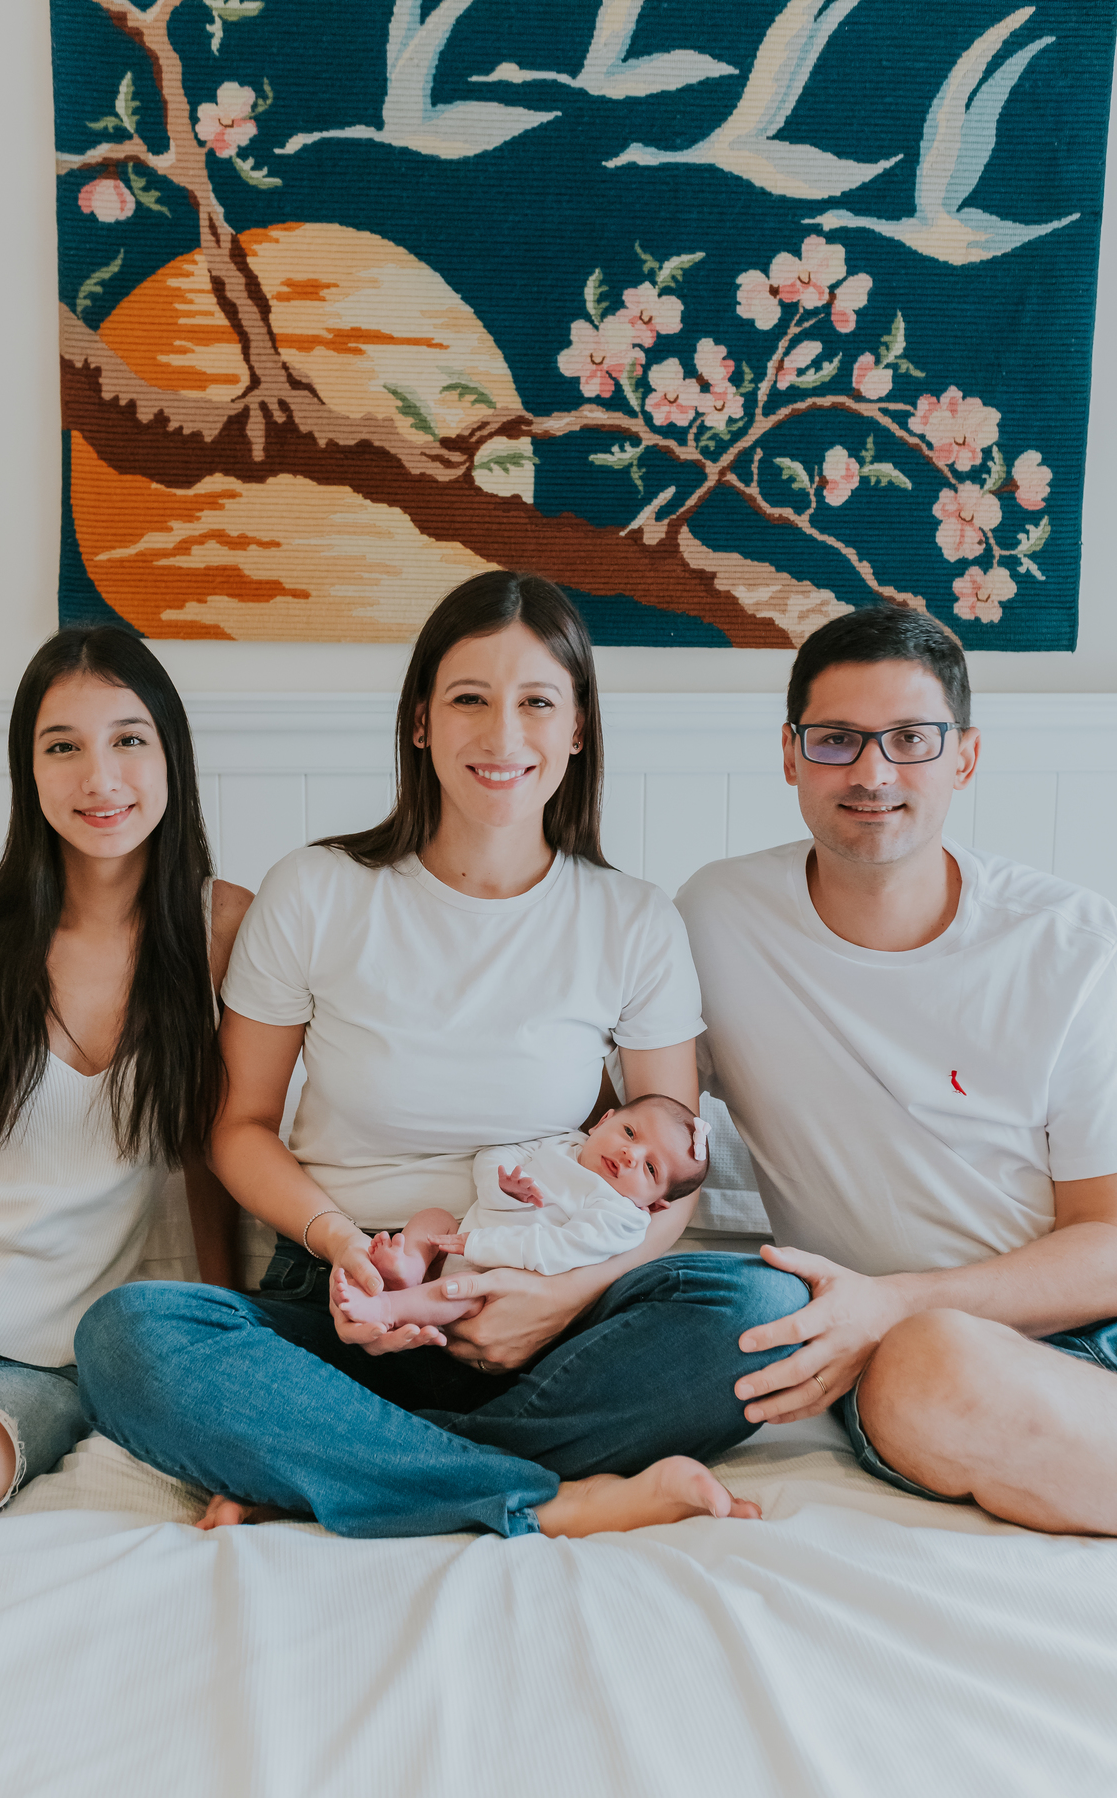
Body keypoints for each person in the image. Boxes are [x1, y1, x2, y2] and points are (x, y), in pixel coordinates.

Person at [75, 571, 805, 1541]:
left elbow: (667, 1190)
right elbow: (236, 1125)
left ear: (578, 728)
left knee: (757, 1304)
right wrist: (343, 1246)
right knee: (129, 1337)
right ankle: (551, 1494)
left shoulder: (634, 921)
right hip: (347, 1302)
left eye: (537, 702)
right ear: (420, 721)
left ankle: (334, 1464)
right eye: (469, 699)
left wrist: (555, 1300)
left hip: (548, 1312)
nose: (502, 737)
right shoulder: (318, 891)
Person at [676, 603, 1117, 1536]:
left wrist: (895, 1304)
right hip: (911, 1372)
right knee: (928, 1368)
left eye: (911, 739)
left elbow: (1109, 1239)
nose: (873, 774)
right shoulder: (716, 918)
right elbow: (640, 1124)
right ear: (791, 754)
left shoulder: (1070, 945)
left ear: (964, 756)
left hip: (1082, 1333)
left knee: (928, 1349)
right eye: (837, 740)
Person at [0, 628, 251, 1529]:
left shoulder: (221, 931)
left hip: (35, 1362)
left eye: (128, 739)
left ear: (171, 753)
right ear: (28, 769)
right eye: (62, 746)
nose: (98, 778)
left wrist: (221, 1354)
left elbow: (215, 1158)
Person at [331, 1095, 713, 1329]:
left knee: (463, 1295)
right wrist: (502, 1184)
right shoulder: (565, 1142)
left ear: (655, 1205)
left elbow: (559, 1247)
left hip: (500, 1279)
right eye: (630, 1133)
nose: (632, 1154)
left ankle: (387, 1307)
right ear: (604, 1120)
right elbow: (495, 1154)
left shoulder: (622, 1216)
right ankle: (411, 1266)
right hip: (459, 1239)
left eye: (650, 1169)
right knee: (433, 1217)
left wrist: (480, 1244)